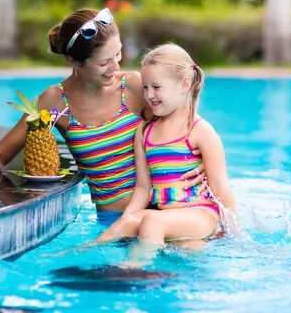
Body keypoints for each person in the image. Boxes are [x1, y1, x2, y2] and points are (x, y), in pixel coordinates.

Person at [0, 8, 208, 219]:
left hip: (161, 215)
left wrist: (204, 165)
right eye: (104, 63)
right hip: (110, 222)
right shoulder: (55, 101)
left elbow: (185, 131)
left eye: (118, 54)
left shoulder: (135, 88)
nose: (116, 67)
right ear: (74, 61)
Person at [95, 44, 238, 255]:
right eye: (145, 87)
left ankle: (134, 271)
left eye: (156, 87)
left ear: (185, 84)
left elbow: (220, 187)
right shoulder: (144, 133)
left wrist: (235, 233)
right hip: (167, 218)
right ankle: (79, 255)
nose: (149, 94)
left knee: (153, 222)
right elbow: (144, 187)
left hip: (201, 214)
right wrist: (129, 218)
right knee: (128, 223)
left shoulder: (200, 131)